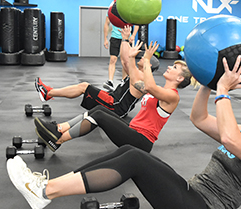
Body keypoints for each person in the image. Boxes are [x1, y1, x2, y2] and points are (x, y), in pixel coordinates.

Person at [6, 55, 241, 209]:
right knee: (131, 152)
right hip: (190, 194)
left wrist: (224, 91)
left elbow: (228, 138)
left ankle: (44, 192)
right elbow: (199, 119)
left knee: (137, 159)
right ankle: (44, 188)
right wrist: (209, 85)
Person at [34, 38, 193, 152]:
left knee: (100, 116)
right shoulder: (157, 89)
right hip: (132, 130)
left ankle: (59, 139)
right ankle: (59, 129)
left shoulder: (173, 96)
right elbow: (135, 82)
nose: (170, 67)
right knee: (98, 110)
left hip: (141, 140)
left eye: (174, 67)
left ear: (180, 78)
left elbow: (148, 85)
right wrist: (131, 56)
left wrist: (146, 61)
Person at [104, 0, 139, 92]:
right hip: (115, 37)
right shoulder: (112, 8)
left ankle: (124, 80)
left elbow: (137, 23)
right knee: (113, 59)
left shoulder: (130, 7)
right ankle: (110, 81)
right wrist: (105, 38)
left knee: (125, 61)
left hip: (126, 38)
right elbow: (106, 23)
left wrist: (133, 35)